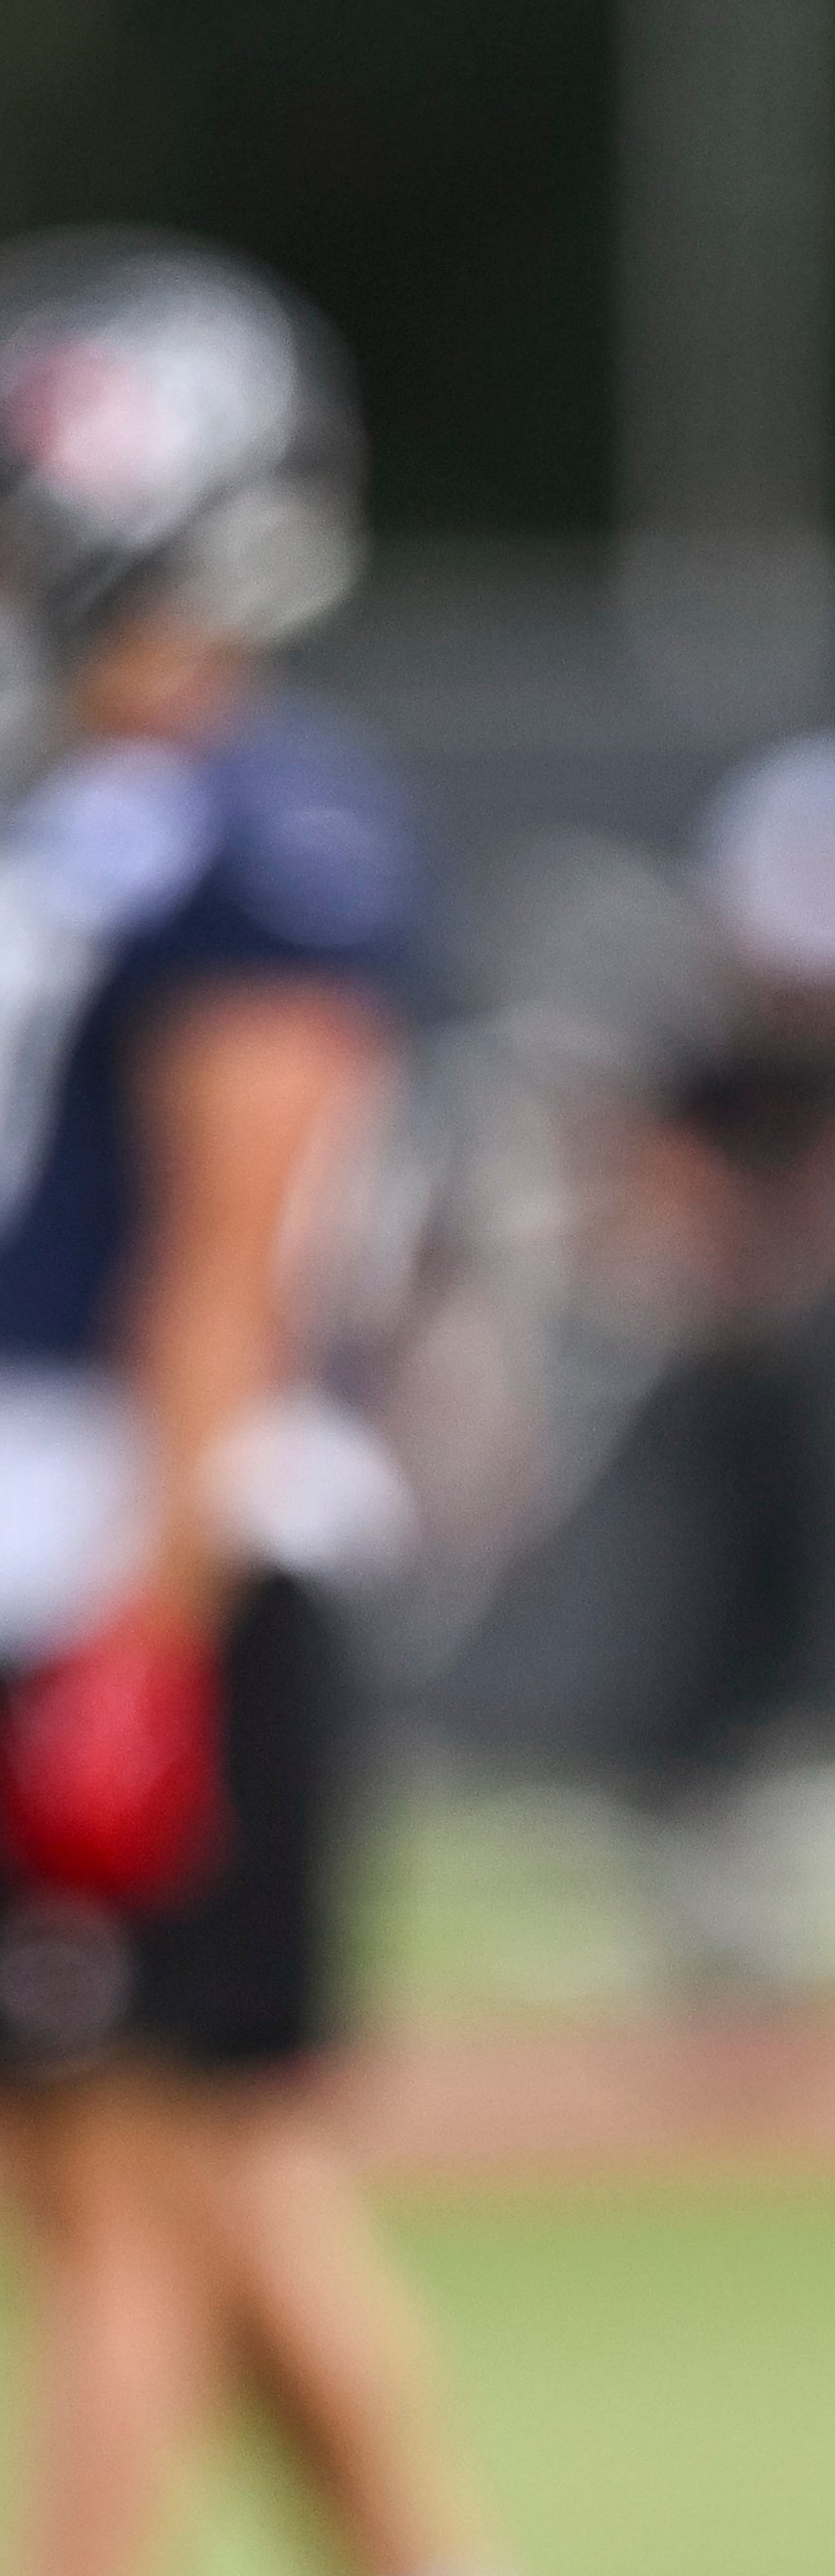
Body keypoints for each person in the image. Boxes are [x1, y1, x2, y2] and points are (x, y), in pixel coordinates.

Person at [0, 235, 497, 2576]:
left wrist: (138, 1629)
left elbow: (226, 1270)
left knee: (125, 2190)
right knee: (175, 2185)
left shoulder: (254, 825)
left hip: (144, 1555)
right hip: (34, 1559)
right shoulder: (64, 812)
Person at [597, 740, 835, 1995]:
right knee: (733, 1591)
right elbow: (673, 1127)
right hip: (750, 1337)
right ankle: (713, 1865)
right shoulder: (723, 1047)